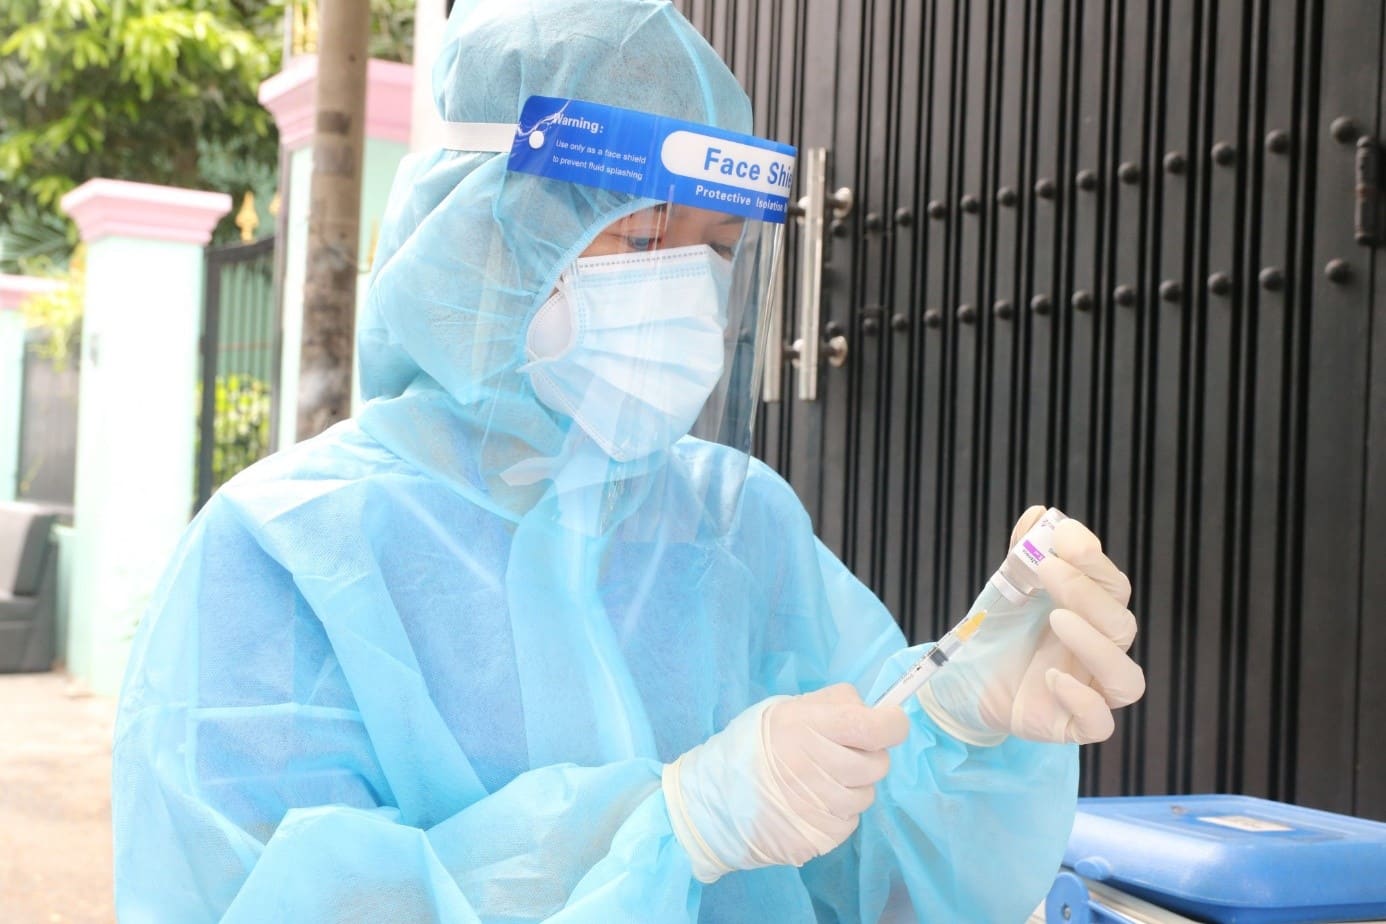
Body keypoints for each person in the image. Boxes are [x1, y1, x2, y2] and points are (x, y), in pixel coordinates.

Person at [111, 0, 1146, 920]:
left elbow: (877, 875)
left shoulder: (735, 523)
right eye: (644, 238)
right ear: (490, 231)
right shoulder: (283, 554)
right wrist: (673, 826)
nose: (688, 288)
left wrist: (959, 728)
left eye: (720, 249)